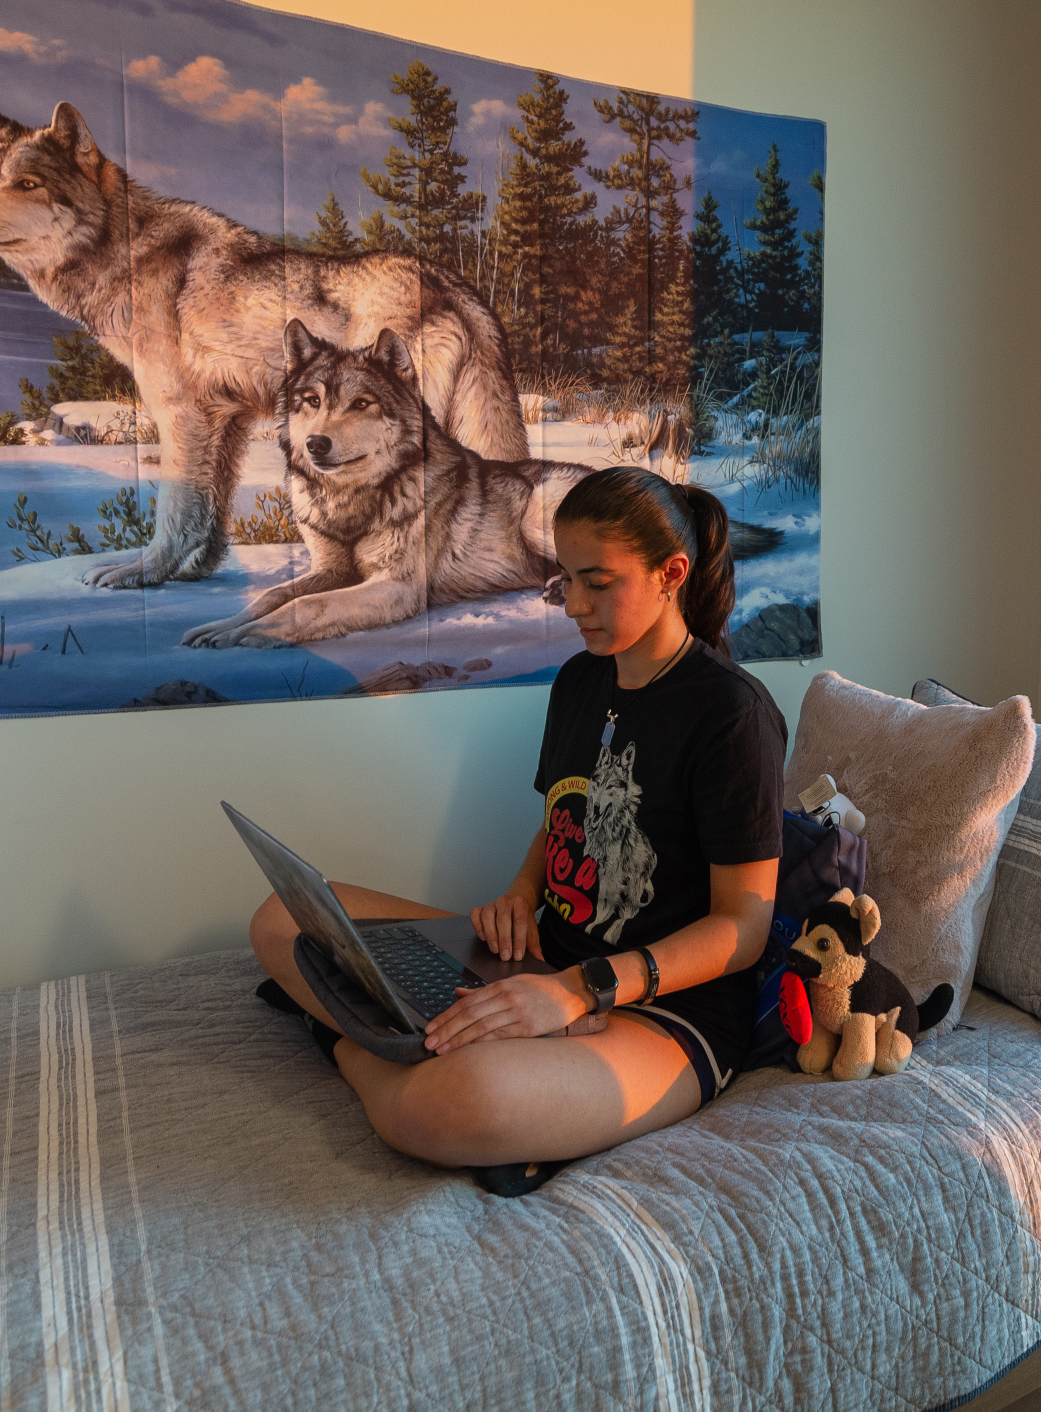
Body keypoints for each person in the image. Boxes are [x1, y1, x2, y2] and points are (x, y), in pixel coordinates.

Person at [246, 467, 785, 1194]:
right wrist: (520, 893)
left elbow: (743, 928)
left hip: (663, 1010)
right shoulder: (580, 681)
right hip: (542, 959)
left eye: (597, 581)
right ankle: (398, 1034)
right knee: (283, 921)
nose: (573, 605)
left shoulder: (732, 715)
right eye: (565, 579)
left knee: (450, 1105)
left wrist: (581, 991)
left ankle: (344, 1034)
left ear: (671, 574)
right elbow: (564, 819)